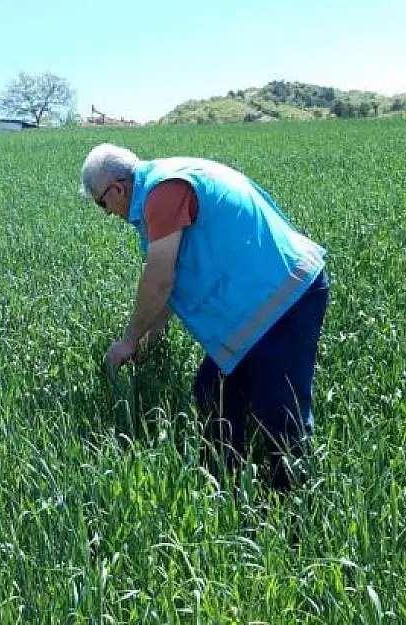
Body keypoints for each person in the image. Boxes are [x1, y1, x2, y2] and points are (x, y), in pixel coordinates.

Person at [79, 143, 331, 493]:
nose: (107, 213)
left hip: (284, 298)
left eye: (102, 204)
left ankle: (295, 517)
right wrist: (149, 340)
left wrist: (129, 340)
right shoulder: (162, 186)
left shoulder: (163, 191)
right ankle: (224, 489)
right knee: (213, 392)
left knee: (281, 417)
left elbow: (160, 277)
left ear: (116, 189)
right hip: (258, 306)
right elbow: (173, 282)